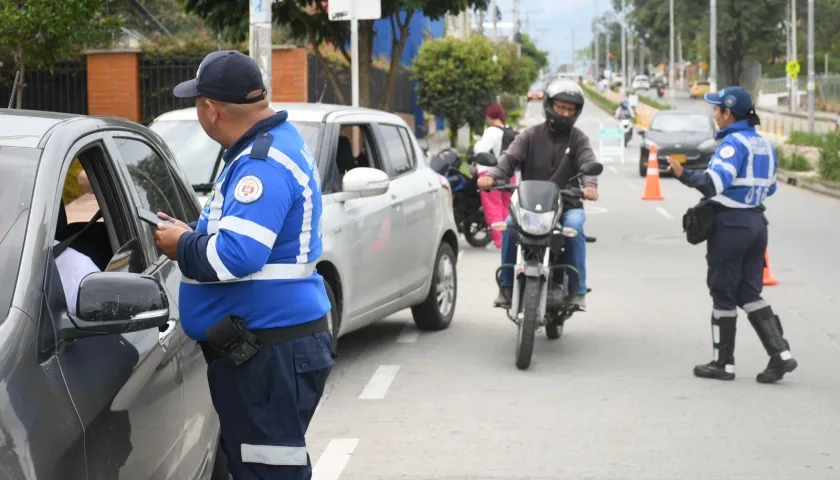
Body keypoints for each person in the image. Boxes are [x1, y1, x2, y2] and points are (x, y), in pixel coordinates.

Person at [152, 50, 335, 479]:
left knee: (269, 471)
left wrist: (183, 246)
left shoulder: (263, 163)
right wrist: (193, 235)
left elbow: (239, 255)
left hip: (269, 351)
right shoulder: (263, 149)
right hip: (266, 347)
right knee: (263, 466)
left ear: (210, 110)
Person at [666, 86, 797, 384]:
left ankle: (723, 363)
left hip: (731, 226)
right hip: (756, 223)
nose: (714, 115)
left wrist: (684, 174)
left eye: (716, 110)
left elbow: (713, 183)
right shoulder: (765, 144)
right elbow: (771, 187)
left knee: (722, 292)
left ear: (728, 112)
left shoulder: (732, 145)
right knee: (749, 293)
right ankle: (781, 355)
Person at [477, 79, 599, 311]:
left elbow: (588, 163)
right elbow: (508, 159)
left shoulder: (578, 139)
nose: (564, 112)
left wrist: (590, 185)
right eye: (560, 107)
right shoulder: (529, 135)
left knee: (574, 227)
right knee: (511, 225)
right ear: (549, 106)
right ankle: (506, 288)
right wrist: (492, 176)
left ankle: (578, 290)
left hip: (568, 204)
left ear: (576, 112)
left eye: (569, 109)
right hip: (530, 204)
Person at [472, 102, 516, 250]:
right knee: (507, 208)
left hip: (490, 175)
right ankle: (509, 240)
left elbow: (480, 150)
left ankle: (500, 242)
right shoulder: (509, 130)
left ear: (490, 116)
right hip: (510, 175)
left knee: (493, 208)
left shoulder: (491, 131)